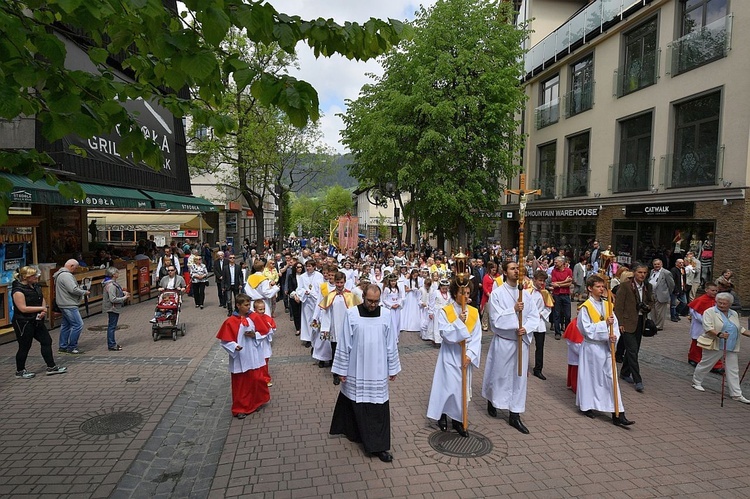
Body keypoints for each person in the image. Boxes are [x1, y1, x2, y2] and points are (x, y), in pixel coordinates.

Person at [330, 285, 401, 463]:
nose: (373, 304)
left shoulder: (385, 315)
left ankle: (379, 446)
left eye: (376, 301)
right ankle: (355, 433)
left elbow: (391, 342)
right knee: (355, 400)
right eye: (369, 300)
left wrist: (392, 367)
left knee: (377, 407)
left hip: (377, 370)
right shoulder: (352, 314)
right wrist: (341, 369)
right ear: (363, 296)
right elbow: (345, 341)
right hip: (356, 367)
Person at [482, 261, 540, 434]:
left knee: (519, 378)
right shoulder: (497, 294)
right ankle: (493, 400)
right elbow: (495, 320)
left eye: (518, 269)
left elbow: (533, 316)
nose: (517, 271)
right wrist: (513, 310)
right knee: (499, 375)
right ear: (505, 272)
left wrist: (526, 328)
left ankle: (515, 414)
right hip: (504, 341)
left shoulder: (525, 294)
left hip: (520, 342)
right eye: (513, 269)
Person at [426, 278, 481, 437]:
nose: (465, 296)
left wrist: (470, 355)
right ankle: (442, 414)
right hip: (450, 355)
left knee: (461, 389)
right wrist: (459, 322)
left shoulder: (474, 312)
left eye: (468, 293)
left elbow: (477, 336)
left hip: (465, 357)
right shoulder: (446, 311)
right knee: (447, 386)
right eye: (462, 293)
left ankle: (458, 419)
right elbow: (446, 334)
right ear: (455, 293)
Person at [577, 274, 634, 427]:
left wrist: (613, 335)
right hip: (592, 348)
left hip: (606, 348)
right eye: (598, 286)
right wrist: (604, 326)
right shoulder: (585, 308)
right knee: (590, 378)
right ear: (590, 288)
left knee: (610, 378)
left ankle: (618, 413)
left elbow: (614, 324)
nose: (601, 289)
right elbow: (586, 330)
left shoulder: (607, 304)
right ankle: (587, 405)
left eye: (603, 286)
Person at [216, 294, 271, 418]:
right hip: (240, 356)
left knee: (257, 379)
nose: (248, 307)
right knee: (241, 384)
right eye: (246, 305)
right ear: (238, 305)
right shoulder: (230, 321)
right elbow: (225, 340)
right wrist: (234, 346)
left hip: (254, 353)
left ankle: (257, 402)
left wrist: (255, 335)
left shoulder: (254, 317)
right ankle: (240, 408)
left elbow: (264, 332)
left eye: (249, 305)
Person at [691, 292, 750, 404]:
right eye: (719, 302)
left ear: (730, 304)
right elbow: (707, 327)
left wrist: (747, 333)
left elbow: (739, 328)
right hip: (716, 344)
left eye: (725, 303)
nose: (722, 305)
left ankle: (736, 394)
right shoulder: (710, 312)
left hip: (731, 345)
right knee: (706, 364)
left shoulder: (734, 313)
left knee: (733, 370)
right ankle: (696, 381)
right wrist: (719, 334)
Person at [11, 266, 67, 378]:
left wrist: (43, 309)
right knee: (25, 346)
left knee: (46, 341)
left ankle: (51, 367)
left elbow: (42, 298)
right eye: (34, 275)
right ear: (26, 277)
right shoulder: (18, 290)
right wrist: (41, 309)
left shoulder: (36, 286)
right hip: (23, 322)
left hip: (36, 320)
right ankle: (20, 371)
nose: (37, 277)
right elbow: (23, 308)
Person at [614, 264, 653, 393]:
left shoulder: (648, 286)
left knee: (634, 349)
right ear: (634, 273)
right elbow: (618, 306)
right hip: (627, 322)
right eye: (639, 272)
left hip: (640, 321)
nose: (642, 275)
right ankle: (638, 380)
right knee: (632, 351)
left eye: (644, 273)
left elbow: (651, 301)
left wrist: (647, 307)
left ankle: (625, 372)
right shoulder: (625, 286)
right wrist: (620, 323)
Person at [318, 271, 357, 385]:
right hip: (335, 328)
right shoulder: (330, 296)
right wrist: (325, 328)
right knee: (335, 351)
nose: (339, 285)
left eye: (341, 282)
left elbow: (355, 312)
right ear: (334, 282)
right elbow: (325, 313)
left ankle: (348, 371)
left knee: (348, 350)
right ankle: (336, 374)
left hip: (347, 327)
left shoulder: (350, 295)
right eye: (338, 282)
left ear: (345, 282)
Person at [54, 259, 90, 355]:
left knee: (66, 325)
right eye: (76, 267)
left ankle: (63, 346)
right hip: (68, 303)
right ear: (72, 266)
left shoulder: (60, 274)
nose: (76, 270)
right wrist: (84, 292)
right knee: (78, 324)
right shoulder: (66, 276)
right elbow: (73, 289)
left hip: (63, 302)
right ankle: (72, 347)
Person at [687, 283, 724, 372]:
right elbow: (696, 313)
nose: (715, 292)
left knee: (711, 344)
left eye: (716, 291)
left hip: (713, 326)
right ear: (706, 290)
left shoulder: (717, 300)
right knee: (697, 343)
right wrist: (708, 322)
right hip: (701, 326)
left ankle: (713, 363)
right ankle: (694, 359)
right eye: (713, 290)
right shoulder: (700, 300)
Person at [529, 270, 553, 381]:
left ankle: (538, 369)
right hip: (528, 322)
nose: (541, 283)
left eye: (543, 281)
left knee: (540, 347)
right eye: (540, 280)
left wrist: (541, 314)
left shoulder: (545, 293)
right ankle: (522, 366)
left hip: (539, 323)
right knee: (525, 345)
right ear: (534, 279)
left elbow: (548, 307)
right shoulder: (527, 291)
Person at [295, 260, 324, 348]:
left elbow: (321, 287)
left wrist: (314, 293)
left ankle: (315, 336)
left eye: (310, 266)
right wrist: (305, 292)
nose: (308, 268)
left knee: (315, 318)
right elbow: (299, 288)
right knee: (307, 319)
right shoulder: (303, 277)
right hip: (307, 301)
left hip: (316, 301)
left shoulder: (319, 275)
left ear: (314, 266)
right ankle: (308, 338)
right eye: (307, 266)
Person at [249, 299, 275, 387]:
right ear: (255, 309)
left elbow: (272, 328)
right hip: (256, 344)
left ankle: (266, 379)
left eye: (264, 309)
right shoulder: (251, 319)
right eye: (260, 309)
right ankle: (258, 379)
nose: (263, 311)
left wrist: (268, 330)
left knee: (264, 363)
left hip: (264, 344)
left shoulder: (267, 318)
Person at [102, 266, 130, 351]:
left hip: (113, 307)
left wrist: (122, 292)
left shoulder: (111, 283)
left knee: (112, 326)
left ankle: (112, 343)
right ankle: (112, 344)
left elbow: (116, 293)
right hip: (112, 308)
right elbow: (113, 299)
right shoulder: (111, 285)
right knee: (112, 326)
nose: (118, 273)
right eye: (117, 272)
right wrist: (124, 298)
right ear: (114, 274)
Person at [550, 256, 573, 340]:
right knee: (557, 314)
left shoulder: (569, 271)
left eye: (556, 262)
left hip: (566, 294)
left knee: (568, 315)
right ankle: (557, 332)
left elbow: (569, 283)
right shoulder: (554, 271)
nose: (555, 264)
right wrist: (564, 281)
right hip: (557, 295)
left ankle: (567, 331)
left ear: (562, 263)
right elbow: (553, 283)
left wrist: (559, 284)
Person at [648, 259, 674, 330]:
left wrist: (666, 293)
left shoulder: (666, 273)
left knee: (660, 312)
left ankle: (659, 326)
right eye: (655, 264)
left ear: (661, 264)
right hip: (652, 294)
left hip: (661, 294)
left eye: (658, 264)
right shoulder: (651, 271)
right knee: (652, 311)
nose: (656, 266)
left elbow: (671, 284)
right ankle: (653, 324)